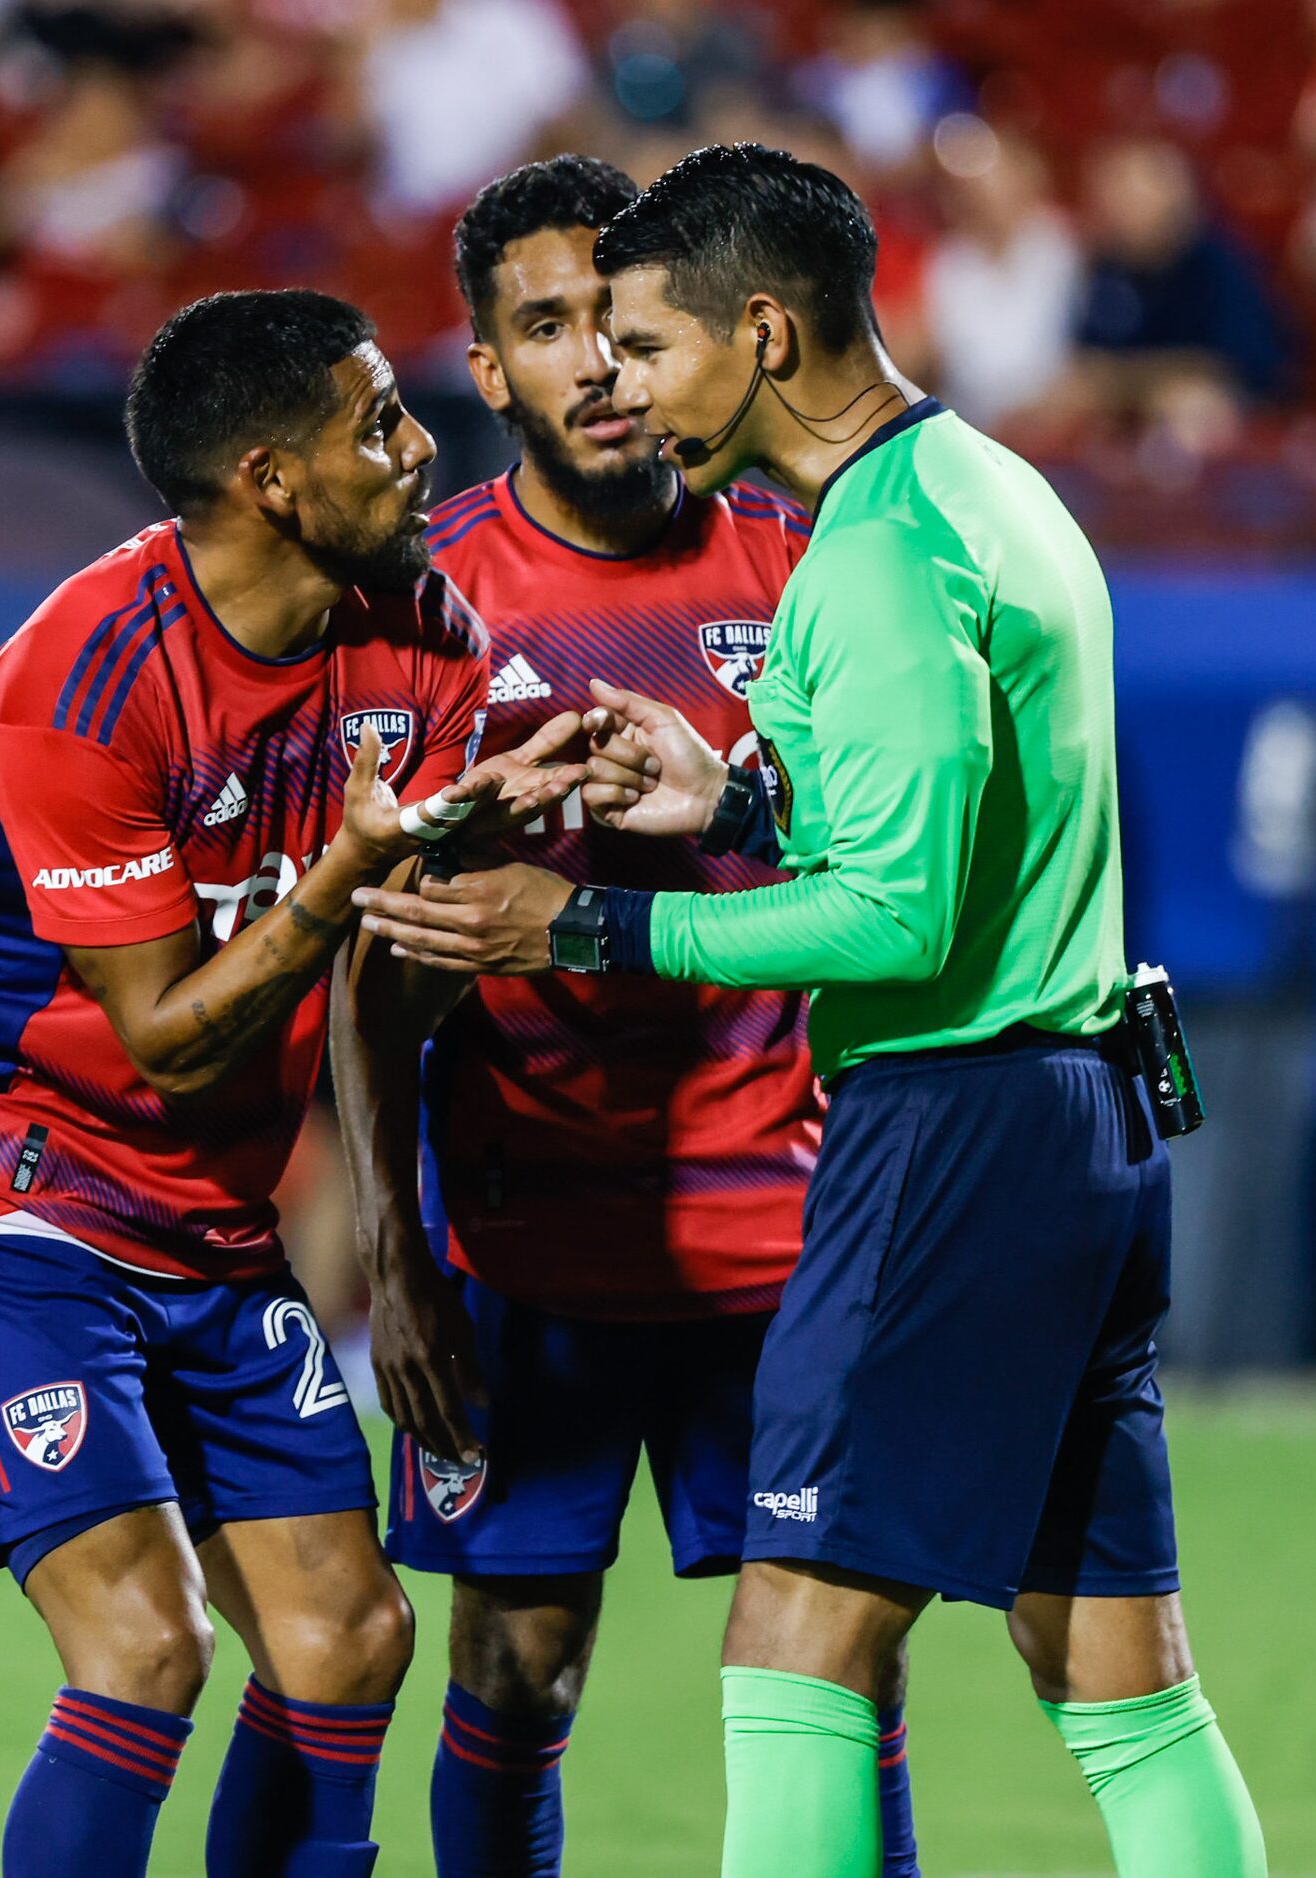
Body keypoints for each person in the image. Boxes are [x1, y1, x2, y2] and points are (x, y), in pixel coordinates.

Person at [352, 143, 1268, 1878]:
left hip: (947, 1121)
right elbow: (951, 832)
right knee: (1115, 1664)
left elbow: (900, 916)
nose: (624, 384)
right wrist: (736, 804)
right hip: (1085, 1109)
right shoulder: (992, 492)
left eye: (646, 342)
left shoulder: (869, 551)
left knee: (797, 1636)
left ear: (761, 333)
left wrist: (588, 924)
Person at [0, 288, 583, 1878]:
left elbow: (395, 968)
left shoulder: (427, 635)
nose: (419, 446)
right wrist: (343, 877)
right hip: (3, 1176)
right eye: (378, 422)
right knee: (145, 1643)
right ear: (270, 477)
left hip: (205, 1203)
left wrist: (498, 841)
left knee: (348, 1638)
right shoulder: (78, 677)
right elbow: (169, 1029)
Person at [333, 154, 918, 1876]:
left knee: (838, 1672)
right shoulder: (424, 608)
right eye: (543, 327)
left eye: (614, 319)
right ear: (489, 369)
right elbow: (376, 963)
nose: (593, 361)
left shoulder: (804, 559)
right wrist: (397, 1254)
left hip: (787, 1240)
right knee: (517, 1669)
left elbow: (885, 867)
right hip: (526, 1245)